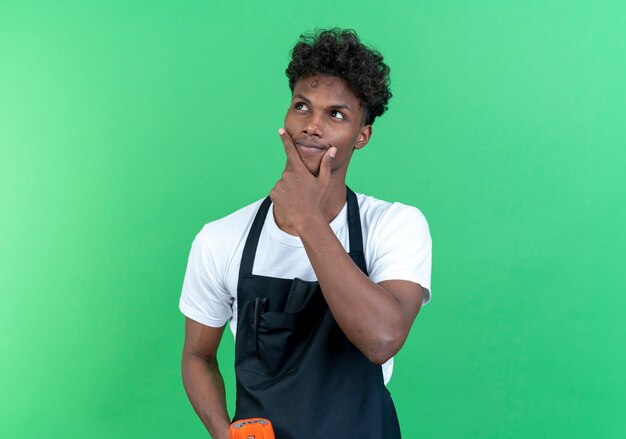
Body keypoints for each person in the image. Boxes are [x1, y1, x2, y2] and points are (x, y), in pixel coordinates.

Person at [179, 28, 432, 439]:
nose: (312, 126)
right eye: (302, 106)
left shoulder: (393, 225)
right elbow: (196, 355)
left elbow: (382, 339)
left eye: (336, 114)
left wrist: (308, 220)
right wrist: (223, 432)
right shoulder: (221, 239)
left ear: (362, 136)